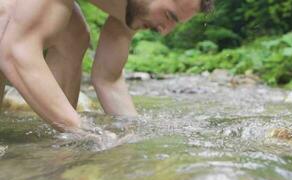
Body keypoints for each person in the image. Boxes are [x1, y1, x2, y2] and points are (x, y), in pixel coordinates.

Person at [0, 0, 214, 133]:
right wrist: (82, 130)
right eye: (169, 16)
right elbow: (16, 52)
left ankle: (53, 146)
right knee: (7, 12)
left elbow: (108, 79)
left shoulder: (136, 9)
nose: (165, 31)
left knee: (74, 36)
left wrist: (132, 134)